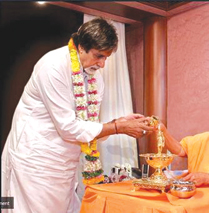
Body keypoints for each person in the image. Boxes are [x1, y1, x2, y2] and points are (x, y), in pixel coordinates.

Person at [1, 18, 153, 213]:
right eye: (99, 56)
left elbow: (88, 125)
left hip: (64, 165)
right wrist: (117, 128)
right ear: (81, 47)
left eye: (106, 58)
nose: (102, 64)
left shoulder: (95, 77)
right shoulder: (53, 66)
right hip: (34, 159)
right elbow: (68, 128)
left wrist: (118, 122)